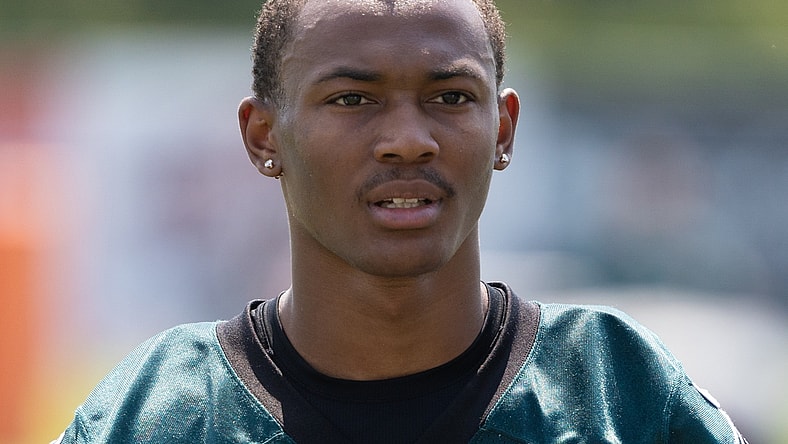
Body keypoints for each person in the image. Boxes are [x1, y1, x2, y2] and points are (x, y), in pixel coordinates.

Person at [54, 0, 747, 442]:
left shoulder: (621, 394)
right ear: (265, 136)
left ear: (503, 128)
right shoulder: (154, 416)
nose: (408, 139)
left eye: (449, 95)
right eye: (353, 99)